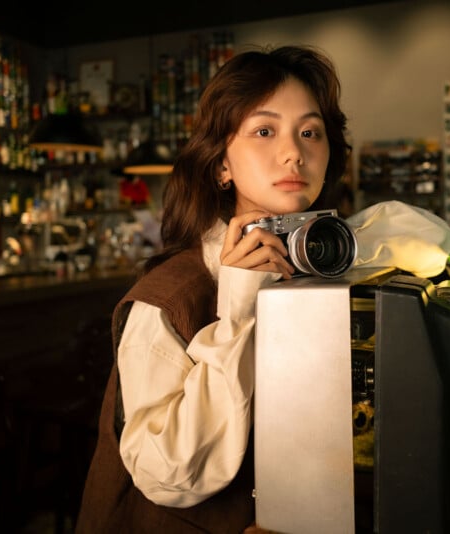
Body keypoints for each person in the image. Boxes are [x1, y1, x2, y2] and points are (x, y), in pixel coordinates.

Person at [76, 45, 350, 533]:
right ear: (222, 165)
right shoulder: (169, 296)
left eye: (310, 132)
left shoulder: (317, 267)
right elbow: (166, 474)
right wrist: (238, 313)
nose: (294, 151)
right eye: (264, 131)